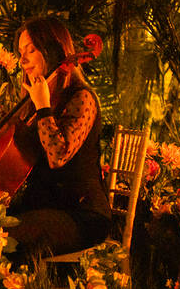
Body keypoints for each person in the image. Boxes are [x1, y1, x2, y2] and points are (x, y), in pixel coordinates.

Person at [7, 16, 111, 260]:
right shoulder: (34, 102)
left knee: (4, 238)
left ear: (52, 51)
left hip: (82, 214)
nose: (22, 60)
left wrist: (43, 107)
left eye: (31, 50)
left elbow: (58, 156)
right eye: (21, 52)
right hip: (46, 208)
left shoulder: (82, 98)